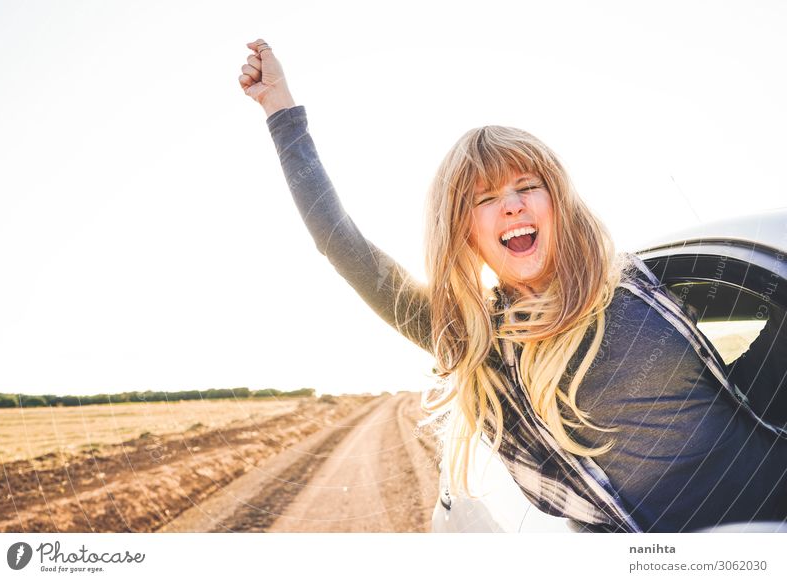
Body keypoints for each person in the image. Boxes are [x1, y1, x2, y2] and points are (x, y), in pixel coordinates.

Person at [238, 39, 787, 533]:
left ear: (558, 203)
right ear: (465, 232)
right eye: (484, 199)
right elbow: (343, 245)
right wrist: (281, 112)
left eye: (528, 185)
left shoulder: (639, 283)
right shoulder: (473, 337)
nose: (512, 204)